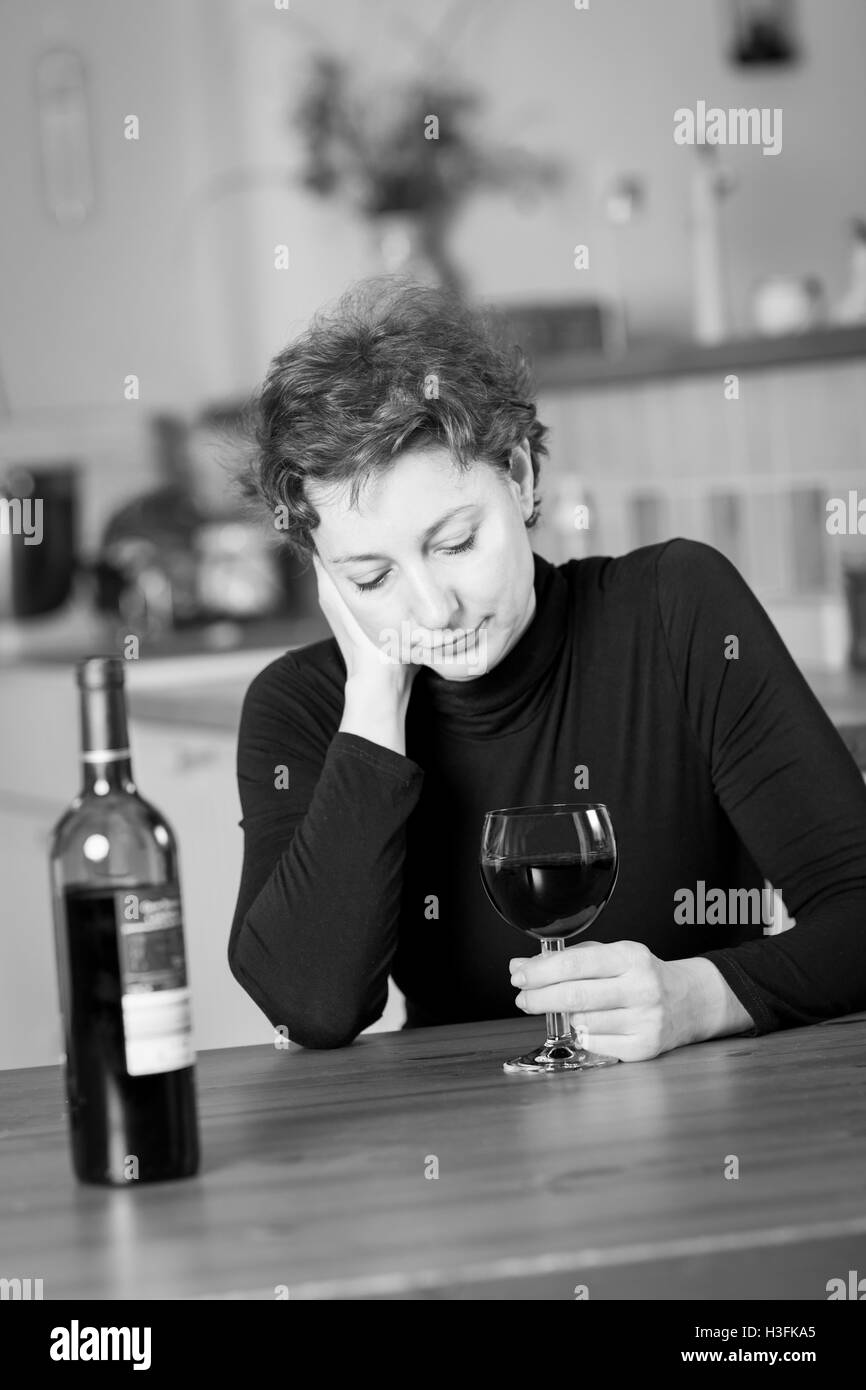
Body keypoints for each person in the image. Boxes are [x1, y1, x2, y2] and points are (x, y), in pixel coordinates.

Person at [228, 275, 866, 1059]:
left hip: (698, 1129)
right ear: (323, 572)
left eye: (456, 543)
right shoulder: (302, 705)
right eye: (370, 577)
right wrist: (372, 701)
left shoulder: (675, 610)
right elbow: (308, 1007)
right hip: (455, 1148)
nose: (434, 611)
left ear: (522, 477)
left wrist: (701, 996)